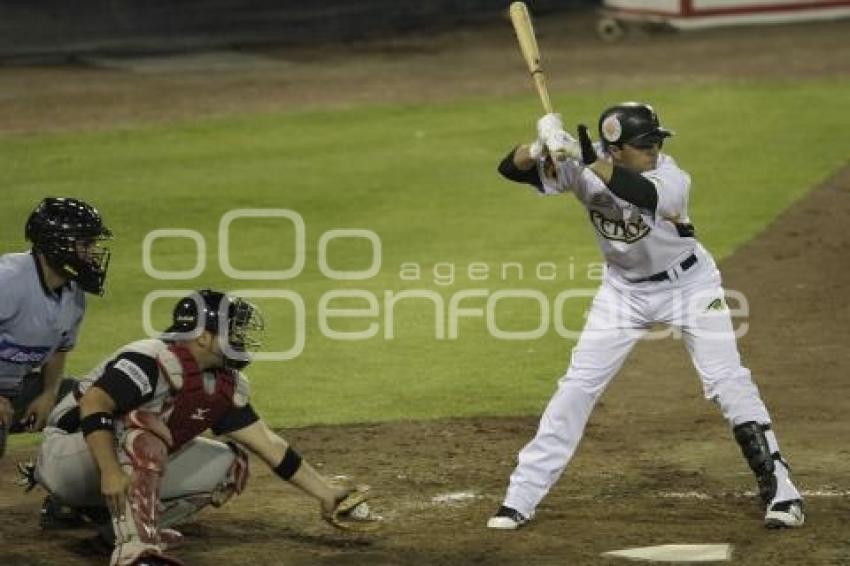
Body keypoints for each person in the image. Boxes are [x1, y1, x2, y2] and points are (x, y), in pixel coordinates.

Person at [486, 103, 804, 531]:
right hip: (623, 293)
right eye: (644, 144)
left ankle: (782, 491)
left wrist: (585, 160)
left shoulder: (669, 175)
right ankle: (519, 497)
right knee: (577, 386)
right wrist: (538, 146)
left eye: (657, 140)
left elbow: (644, 195)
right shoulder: (583, 160)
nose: (654, 148)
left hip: (691, 287)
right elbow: (511, 169)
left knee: (727, 382)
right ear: (616, 148)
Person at [31, 289, 374, 566]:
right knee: (146, 430)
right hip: (67, 458)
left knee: (231, 464)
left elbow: (268, 444)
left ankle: (116, 528)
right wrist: (108, 470)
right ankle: (136, 550)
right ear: (205, 337)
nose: (241, 336)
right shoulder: (149, 359)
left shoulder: (222, 384)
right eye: (234, 329)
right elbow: (94, 403)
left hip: (105, 469)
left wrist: (326, 493)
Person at [0, 197, 112, 456]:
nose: (94, 252)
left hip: (15, 388)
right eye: (86, 243)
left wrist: (49, 393)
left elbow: (60, 346)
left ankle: (66, 477)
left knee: (95, 401)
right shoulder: (8, 281)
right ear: (57, 244)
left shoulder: (73, 295)